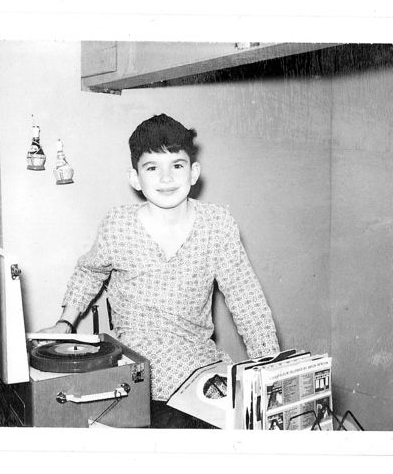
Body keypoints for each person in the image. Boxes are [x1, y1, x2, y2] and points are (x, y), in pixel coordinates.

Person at [40, 114, 280, 428]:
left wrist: (271, 372)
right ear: (135, 178)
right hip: (135, 373)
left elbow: (247, 299)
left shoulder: (217, 225)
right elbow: (89, 272)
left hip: (199, 370)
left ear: (193, 173)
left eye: (177, 165)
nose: (166, 178)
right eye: (152, 168)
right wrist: (65, 322)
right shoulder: (118, 225)